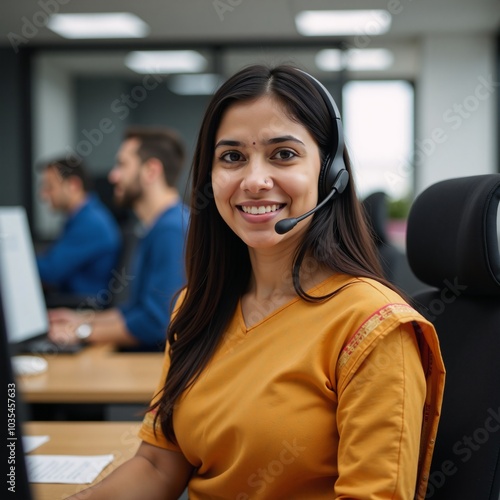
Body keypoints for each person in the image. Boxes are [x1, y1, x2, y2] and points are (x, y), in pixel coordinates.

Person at [66, 65, 445, 499]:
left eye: (283, 154)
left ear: (330, 172)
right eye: (232, 157)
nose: (254, 181)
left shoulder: (373, 329)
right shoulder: (197, 306)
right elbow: (156, 464)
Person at [48, 127, 190, 351]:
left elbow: (156, 322)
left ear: (151, 171)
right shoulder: (160, 226)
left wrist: (80, 332)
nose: (113, 176)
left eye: (122, 165)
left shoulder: (171, 230)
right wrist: (83, 320)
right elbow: (135, 310)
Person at [36, 158, 121, 296]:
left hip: (80, 306)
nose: (43, 195)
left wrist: (15, 262)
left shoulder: (91, 223)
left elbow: (50, 271)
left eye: (50, 187)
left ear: (73, 185)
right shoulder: (82, 218)